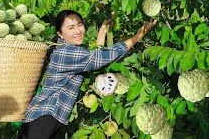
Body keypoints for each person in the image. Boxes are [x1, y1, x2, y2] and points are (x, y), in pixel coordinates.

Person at [20, 10, 158, 139]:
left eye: (79, 25)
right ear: (60, 34)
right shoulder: (65, 53)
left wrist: (103, 30)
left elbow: (93, 58)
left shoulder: (68, 49)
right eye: (71, 28)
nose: (78, 31)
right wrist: (137, 37)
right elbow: (99, 58)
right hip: (45, 114)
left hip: (49, 115)